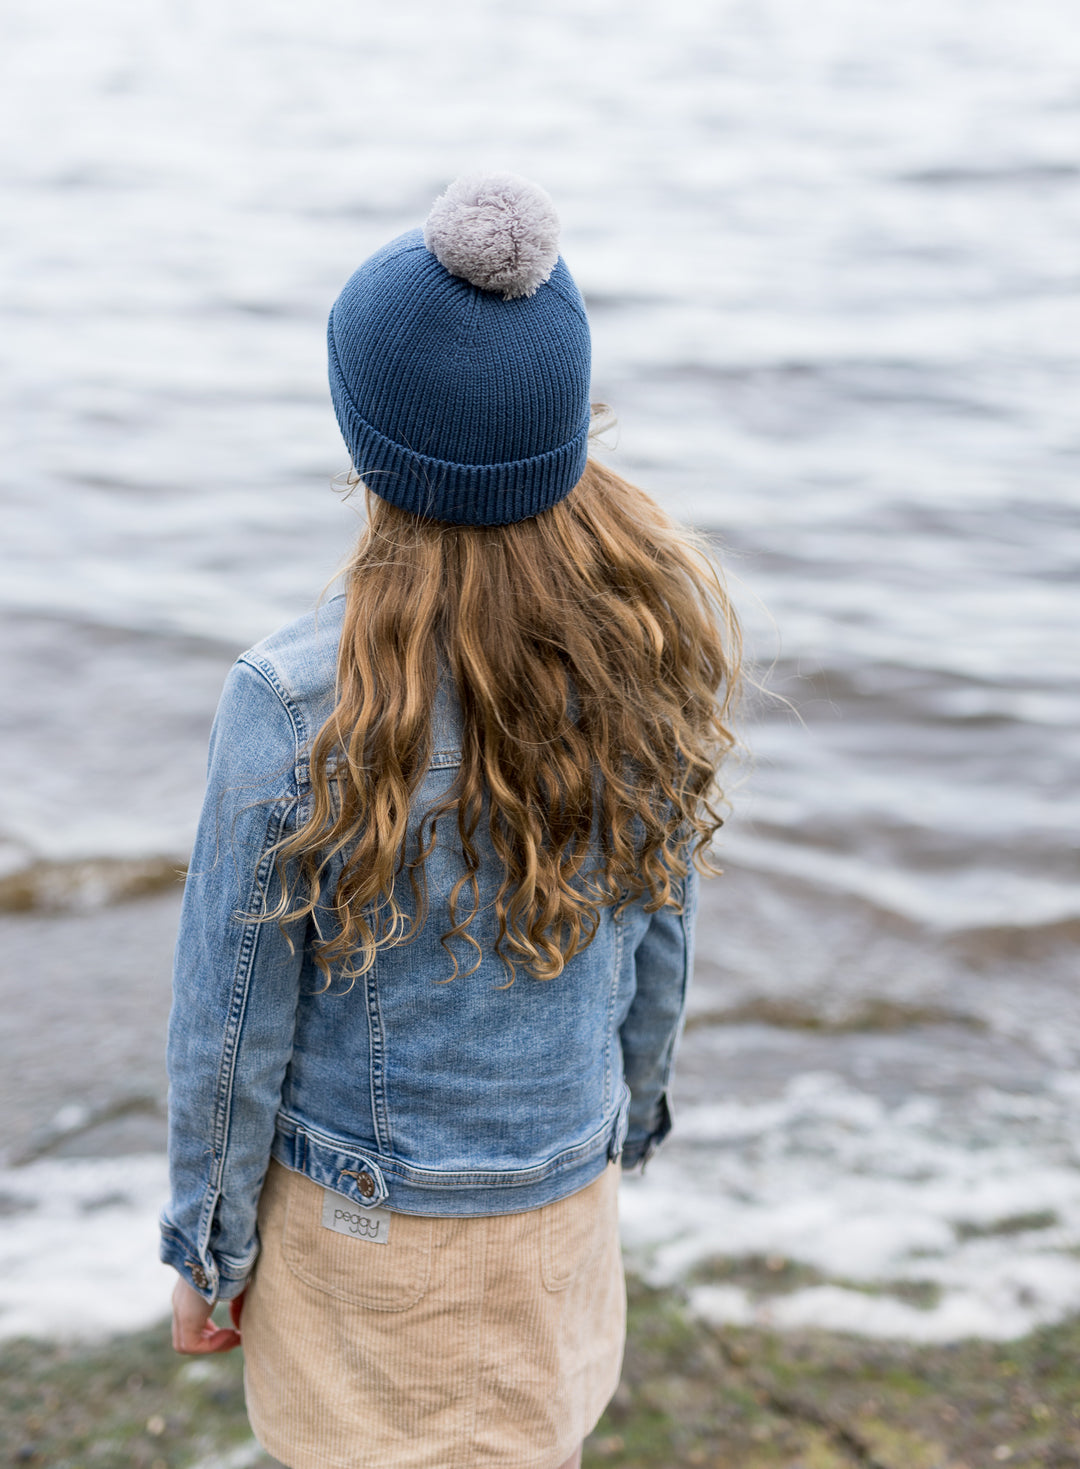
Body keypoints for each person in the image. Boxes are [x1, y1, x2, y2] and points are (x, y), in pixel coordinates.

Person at [161, 173, 740, 1469]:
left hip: (361, 1244)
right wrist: (625, 1125)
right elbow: (661, 934)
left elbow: (233, 1011)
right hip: (556, 1221)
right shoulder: (633, 654)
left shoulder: (292, 699)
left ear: (369, 442)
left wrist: (209, 1245)